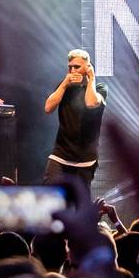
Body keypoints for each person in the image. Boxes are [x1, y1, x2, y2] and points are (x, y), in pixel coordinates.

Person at [43, 47, 105, 185]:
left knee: (79, 202)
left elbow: (90, 103)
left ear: (88, 67)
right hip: (60, 155)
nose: (72, 71)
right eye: (70, 67)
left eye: (77, 67)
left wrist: (91, 78)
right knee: (51, 194)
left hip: (85, 159)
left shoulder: (100, 88)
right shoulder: (64, 87)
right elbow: (48, 108)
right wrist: (65, 84)